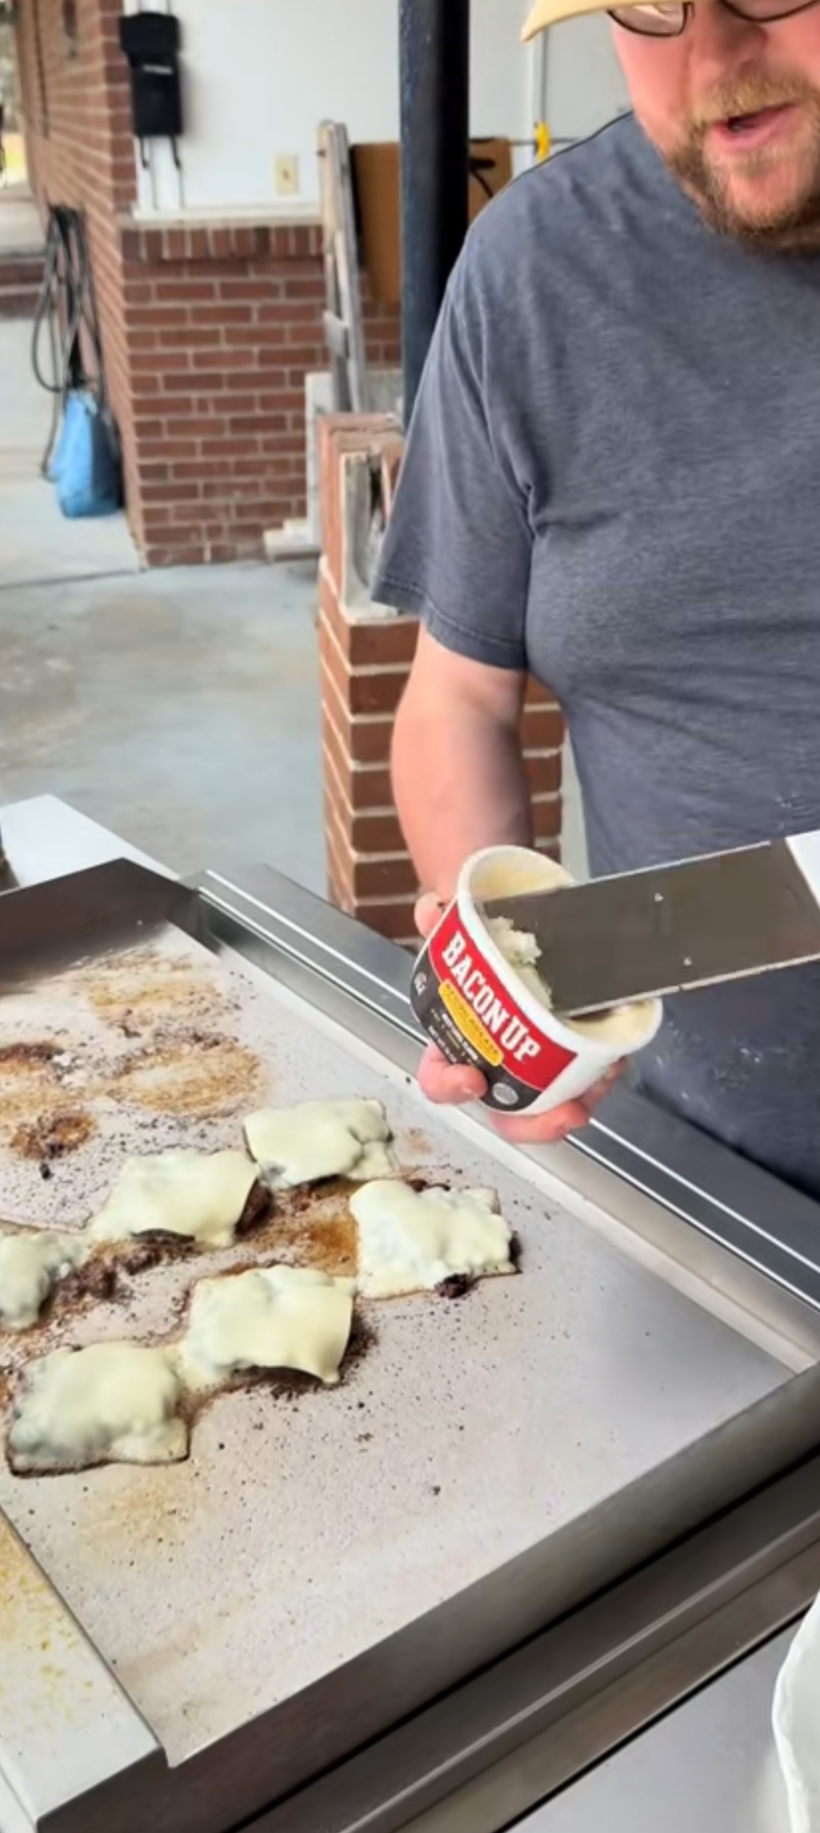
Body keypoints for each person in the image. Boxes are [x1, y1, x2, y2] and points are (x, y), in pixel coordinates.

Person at [373, 0, 820, 1202]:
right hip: (700, 1176)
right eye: (647, 0)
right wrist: (504, 978)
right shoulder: (534, 271)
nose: (709, 53)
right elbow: (458, 696)